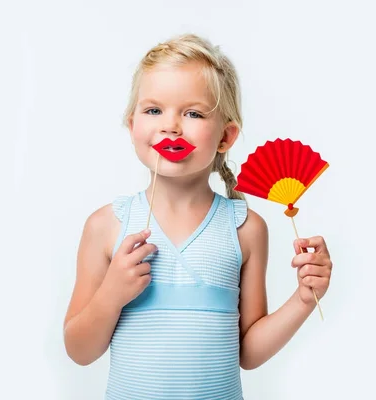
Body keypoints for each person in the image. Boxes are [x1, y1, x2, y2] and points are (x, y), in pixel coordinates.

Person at [63, 33, 333, 400]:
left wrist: (303, 299)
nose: (170, 125)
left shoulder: (245, 229)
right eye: (153, 110)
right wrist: (111, 294)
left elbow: (248, 353)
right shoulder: (106, 226)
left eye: (192, 113)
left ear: (226, 136)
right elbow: (80, 351)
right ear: (132, 126)